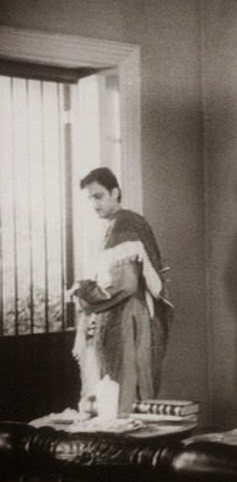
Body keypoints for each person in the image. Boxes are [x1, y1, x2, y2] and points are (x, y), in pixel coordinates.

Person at [71, 167, 172, 414]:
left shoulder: (125, 223)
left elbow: (125, 284)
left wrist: (84, 296)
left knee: (124, 389)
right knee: (113, 389)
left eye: (98, 196)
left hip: (128, 316)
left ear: (115, 192)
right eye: (90, 198)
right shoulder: (113, 225)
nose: (94, 204)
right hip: (118, 314)